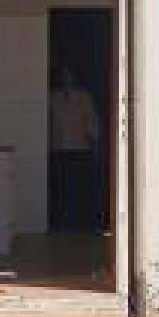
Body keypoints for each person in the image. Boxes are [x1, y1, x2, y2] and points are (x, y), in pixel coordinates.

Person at [48, 64, 100, 230]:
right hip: (58, 148)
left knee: (78, 186)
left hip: (79, 148)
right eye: (63, 75)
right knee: (61, 187)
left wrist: (96, 144)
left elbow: (92, 121)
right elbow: (46, 121)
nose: (66, 79)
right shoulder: (52, 97)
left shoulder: (84, 97)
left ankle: (80, 223)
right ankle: (61, 222)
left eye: (69, 75)